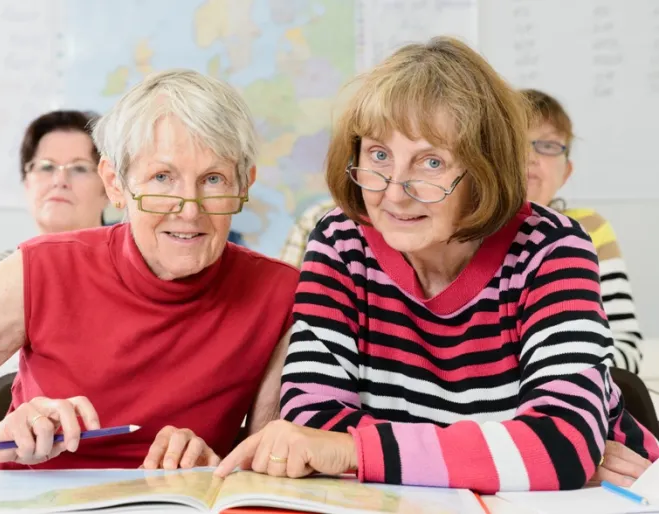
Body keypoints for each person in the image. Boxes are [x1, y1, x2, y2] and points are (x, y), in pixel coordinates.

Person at [215, 37, 659, 493]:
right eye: (379, 155)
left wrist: (356, 451)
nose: (394, 192)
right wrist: (507, 454)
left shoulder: (553, 248)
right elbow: (310, 422)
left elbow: (560, 447)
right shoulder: (339, 241)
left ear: (486, 168)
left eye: (431, 162)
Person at [0, 69, 298, 476]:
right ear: (115, 184)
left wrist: (219, 466)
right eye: (162, 178)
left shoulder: (280, 293)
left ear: (244, 185)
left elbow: (270, 460)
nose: (189, 210)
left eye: (213, 179)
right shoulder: (40, 271)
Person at [280, 91, 644, 376]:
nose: (531, 159)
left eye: (547, 146)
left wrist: (570, 384)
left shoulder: (567, 240)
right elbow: (306, 365)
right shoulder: (336, 234)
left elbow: (560, 428)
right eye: (378, 154)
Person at [0, 110, 110, 390]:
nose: (59, 180)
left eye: (78, 168)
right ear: (27, 183)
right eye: (46, 166)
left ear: (109, 186)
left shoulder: (126, 274)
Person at [522, 89, 642, 373]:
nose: (529, 157)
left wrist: (569, 372)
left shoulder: (589, 229)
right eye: (514, 142)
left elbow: (628, 347)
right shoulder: (469, 234)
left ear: (566, 173)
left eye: (548, 146)